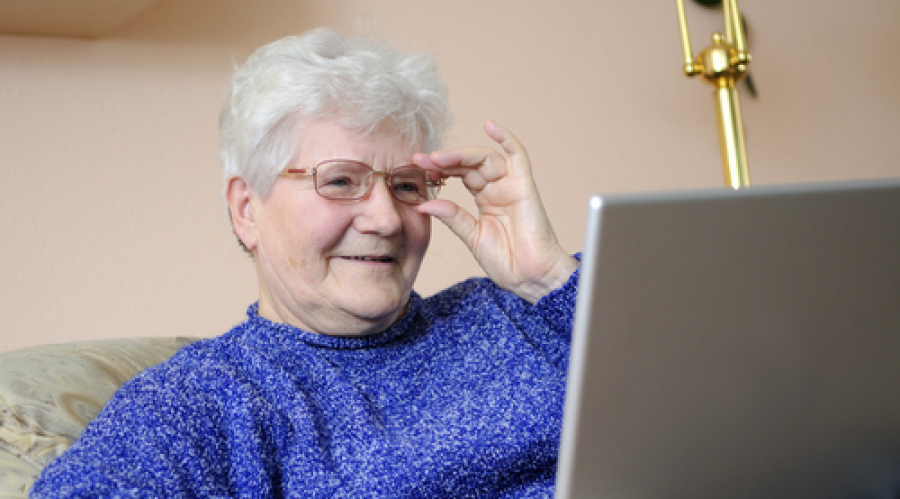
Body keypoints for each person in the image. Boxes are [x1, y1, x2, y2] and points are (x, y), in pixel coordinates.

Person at [31, 27, 580, 498]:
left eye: (407, 186)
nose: (387, 219)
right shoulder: (207, 401)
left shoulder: (527, 310)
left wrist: (549, 276)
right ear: (247, 209)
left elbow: (666, 392)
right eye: (341, 181)